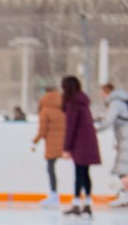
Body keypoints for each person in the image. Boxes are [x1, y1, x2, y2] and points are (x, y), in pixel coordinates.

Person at [61, 76, 102, 217]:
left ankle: (77, 203)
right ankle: (87, 203)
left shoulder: (72, 103)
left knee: (79, 174)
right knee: (85, 173)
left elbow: (71, 127)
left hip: (79, 142)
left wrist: (66, 148)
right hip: (89, 142)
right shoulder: (82, 100)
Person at [32, 85, 65, 209]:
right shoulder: (63, 106)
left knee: (50, 168)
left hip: (52, 143)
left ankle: (54, 195)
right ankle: (79, 195)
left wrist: (35, 141)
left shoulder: (45, 109)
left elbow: (43, 130)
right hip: (66, 142)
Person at [97, 82, 128, 209]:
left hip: (126, 138)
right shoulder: (121, 101)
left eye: (102, 93)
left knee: (123, 169)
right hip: (123, 138)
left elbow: (109, 121)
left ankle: (125, 196)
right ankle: (124, 195)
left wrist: (93, 130)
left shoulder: (116, 103)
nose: (101, 96)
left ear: (106, 92)